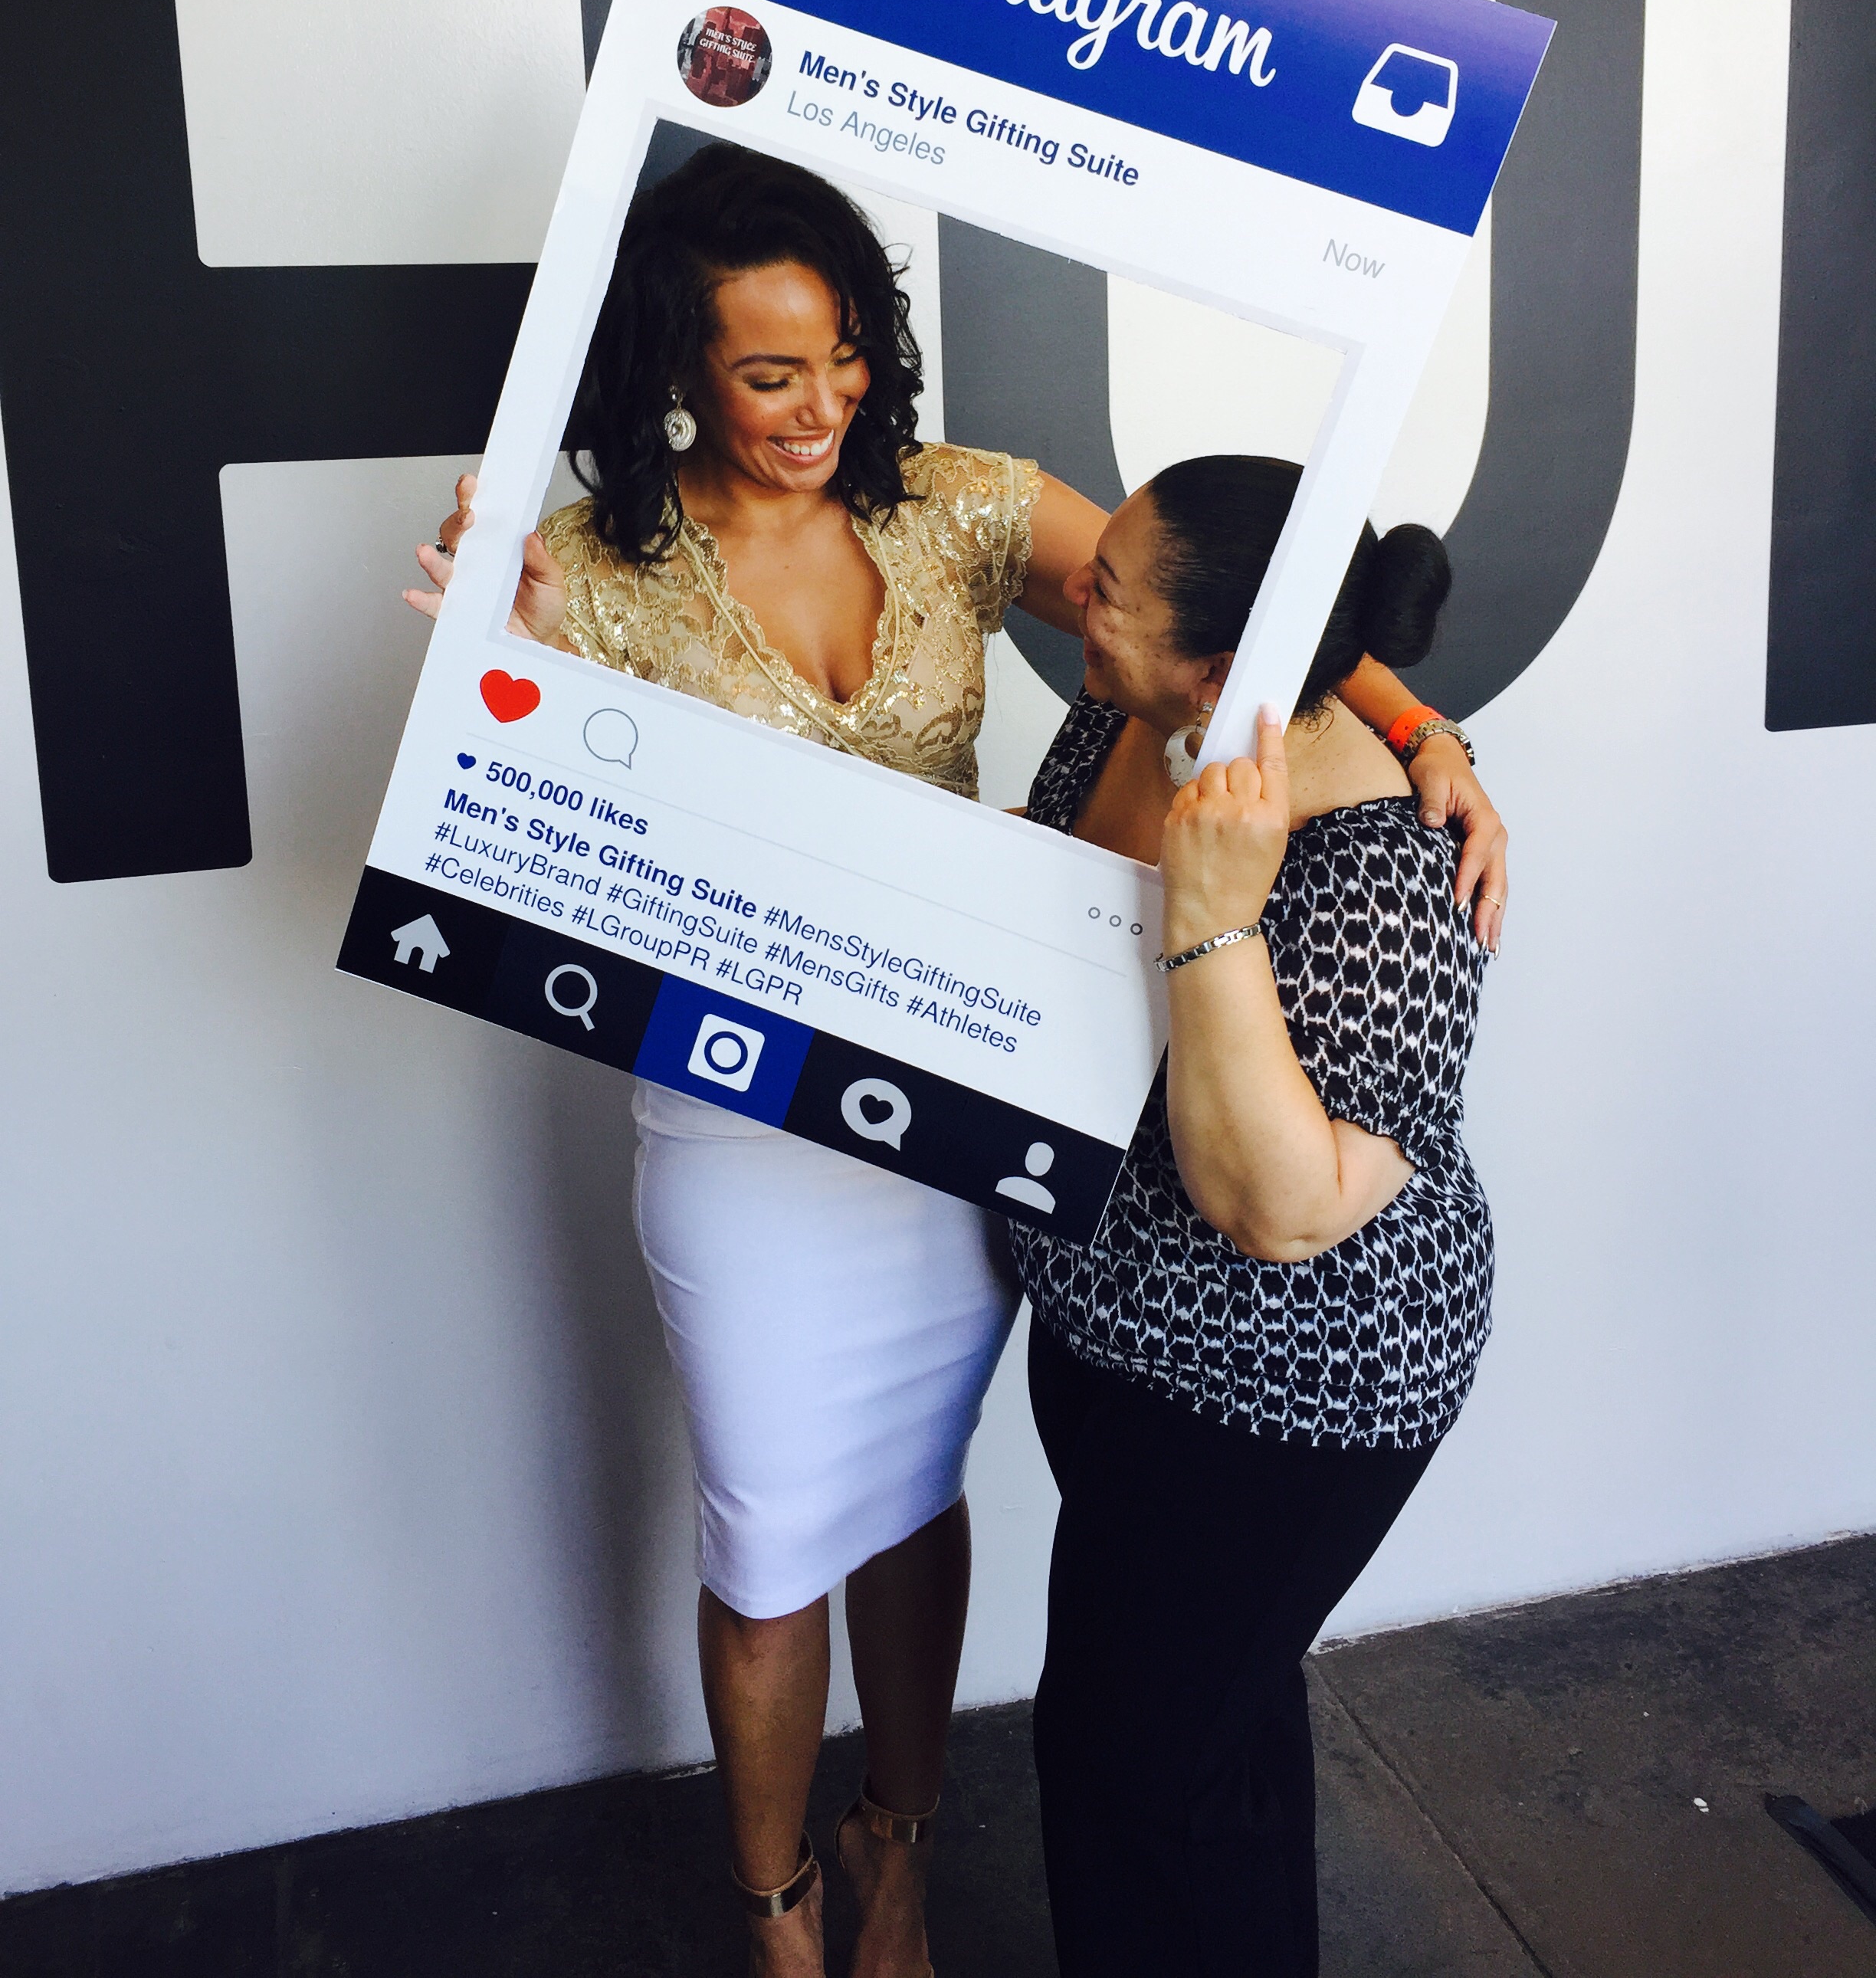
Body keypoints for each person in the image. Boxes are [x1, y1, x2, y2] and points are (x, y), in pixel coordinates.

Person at [405, 146, 1505, 1978]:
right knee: (768, 1530)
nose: (820, 404)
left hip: (960, 1113)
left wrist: (1420, 721)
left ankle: (894, 1850)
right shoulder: (588, 572)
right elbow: (500, 816)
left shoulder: (959, 509)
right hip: (743, 1094)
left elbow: (1252, 615)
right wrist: (486, 680)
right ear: (680, 368)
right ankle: (780, 1922)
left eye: (842, 357)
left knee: (917, 1494)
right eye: (769, 373)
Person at [1009, 455, 1496, 1978]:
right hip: (1117, 1338)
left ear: (1226, 667)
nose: (1078, 583)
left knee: (1130, 1772)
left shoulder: (1394, 871)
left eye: (1114, 589)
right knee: (1202, 1740)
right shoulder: (1130, 708)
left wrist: (1215, 916)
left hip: (1285, 1396)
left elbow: (1284, 1212)